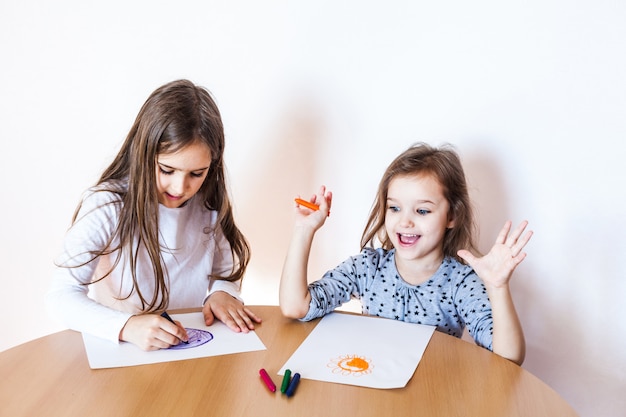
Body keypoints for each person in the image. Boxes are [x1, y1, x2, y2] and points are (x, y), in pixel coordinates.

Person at [46, 79, 261, 351]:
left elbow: (224, 272)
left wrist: (222, 292)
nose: (180, 188)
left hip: (189, 352)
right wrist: (125, 326)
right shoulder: (107, 205)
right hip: (124, 354)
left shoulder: (207, 205)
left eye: (196, 174)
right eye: (167, 170)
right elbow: (61, 295)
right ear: (143, 152)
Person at [279, 143, 532, 364]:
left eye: (422, 211)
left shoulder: (461, 282)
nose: (405, 222)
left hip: (431, 395)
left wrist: (498, 287)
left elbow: (508, 358)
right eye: (395, 208)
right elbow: (295, 307)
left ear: (452, 216)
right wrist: (304, 230)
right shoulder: (368, 267)